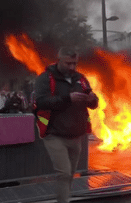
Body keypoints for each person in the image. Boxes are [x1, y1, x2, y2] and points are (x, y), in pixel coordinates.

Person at [34, 46, 99, 203]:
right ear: (59, 60)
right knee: (63, 173)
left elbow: (94, 102)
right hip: (54, 134)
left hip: (76, 135)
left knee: (70, 174)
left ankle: (64, 198)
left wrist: (92, 99)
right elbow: (40, 102)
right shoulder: (45, 78)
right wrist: (67, 98)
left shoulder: (81, 79)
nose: (72, 67)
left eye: (74, 63)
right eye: (68, 63)